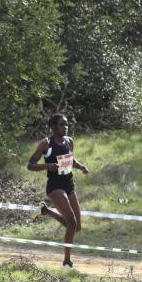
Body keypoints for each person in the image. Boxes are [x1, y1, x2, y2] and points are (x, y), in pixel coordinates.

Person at [27, 113, 89, 268]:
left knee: (76, 227)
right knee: (72, 223)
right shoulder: (45, 144)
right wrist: (47, 166)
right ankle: (67, 261)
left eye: (67, 124)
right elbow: (30, 165)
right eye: (62, 124)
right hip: (55, 186)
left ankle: (46, 211)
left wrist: (80, 166)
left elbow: (70, 159)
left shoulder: (69, 141)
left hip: (69, 183)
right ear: (53, 127)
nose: (66, 127)